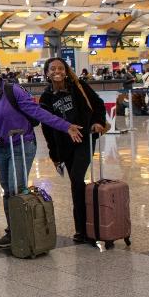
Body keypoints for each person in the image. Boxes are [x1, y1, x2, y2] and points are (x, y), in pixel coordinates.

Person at [0, 53, 82, 249]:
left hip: (23, 144)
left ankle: (21, 229)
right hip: (1, 147)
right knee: (7, 190)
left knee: (16, 187)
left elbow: (37, 112)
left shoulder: (12, 90)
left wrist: (66, 126)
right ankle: (13, 231)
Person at [38, 58, 108, 244]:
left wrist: (98, 122)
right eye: (52, 68)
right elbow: (47, 128)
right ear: (47, 73)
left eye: (61, 68)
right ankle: (82, 229)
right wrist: (54, 155)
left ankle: (87, 228)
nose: (57, 71)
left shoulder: (79, 86)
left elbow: (98, 104)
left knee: (77, 179)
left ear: (66, 71)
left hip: (84, 139)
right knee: (75, 185)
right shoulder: (46, 97)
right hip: (65, 145)